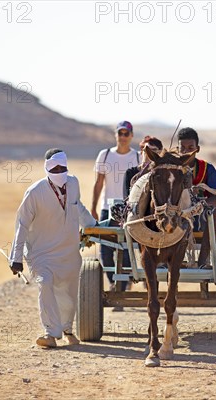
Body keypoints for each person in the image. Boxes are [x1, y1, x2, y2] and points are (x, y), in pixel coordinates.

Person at [9, 149, 97, 347]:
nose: (59, 172)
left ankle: (67, 329)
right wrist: (15, 258)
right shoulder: (35, 192)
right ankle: (50, 333)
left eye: (62, 168)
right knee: (45, 284)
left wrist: (94, 226)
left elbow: (78, 207)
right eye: (54, 168)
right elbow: (21, 224)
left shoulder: (73, 183)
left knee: (69, 292)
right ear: (46, 168)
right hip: (41, 253)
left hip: (69, 252)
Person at [91, 121, 139, 300]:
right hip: (107, 208)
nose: (123, 137)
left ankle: (123, 286)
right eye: (120, 133)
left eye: (127, 133)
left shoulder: (137, 157)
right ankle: (113, 282)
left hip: (130, 210)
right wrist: (93, 207)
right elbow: (98, 183)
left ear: (132, 136)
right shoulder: (104, 155)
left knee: (127, 248)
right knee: (105, 249)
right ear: (116, 135)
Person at [177, 127, 216, 268]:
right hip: (177, 213)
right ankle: (168, 260)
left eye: (190, 147)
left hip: (200, 213)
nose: (186, 151)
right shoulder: (171, 169)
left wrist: (200, 205)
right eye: (183, 148)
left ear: (197, 148)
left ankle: (203, 261)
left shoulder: (207, 168)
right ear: (177, 149)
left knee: (214, 214)